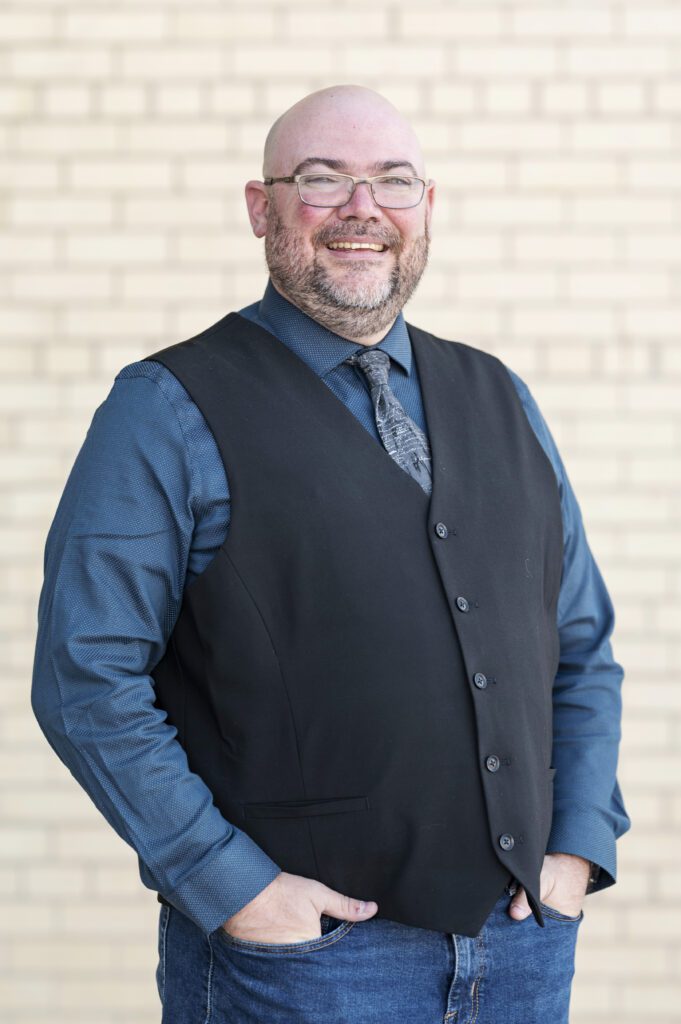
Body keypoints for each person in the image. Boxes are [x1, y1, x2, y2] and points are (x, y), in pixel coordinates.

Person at [31, 84, 631, 1024]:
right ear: (260, 208)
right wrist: (229, 884)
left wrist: (577, 846)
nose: (363, 208)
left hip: (522, 950)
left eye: (393, 181)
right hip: (302, 969)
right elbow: (85, 675)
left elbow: (580, 648)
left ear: (426, 207)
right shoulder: (164, 407)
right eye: (321, 179)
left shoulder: (500, 395)